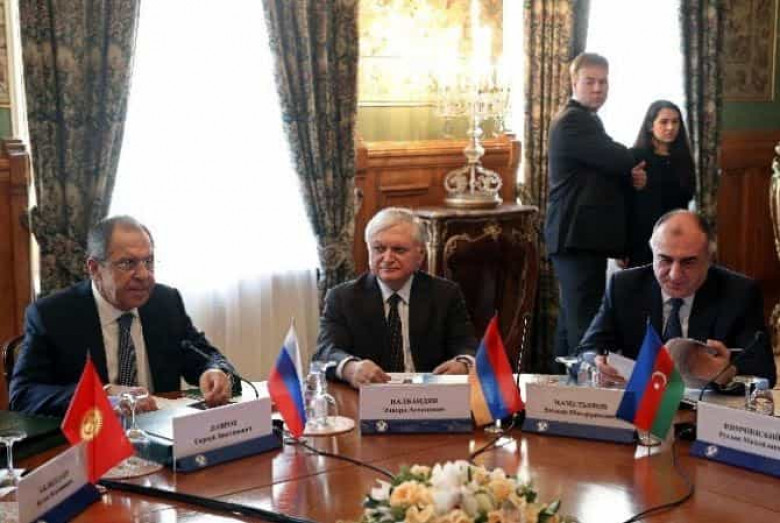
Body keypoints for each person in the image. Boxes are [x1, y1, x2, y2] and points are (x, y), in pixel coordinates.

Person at [10, 215, 237, 416]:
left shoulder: (165, 302)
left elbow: (205, 355)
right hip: (91, 438)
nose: (143, 275)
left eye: (148, 261)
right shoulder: (53, 315)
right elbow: (23, 394)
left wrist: (214, 371)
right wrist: (101, 395)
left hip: (160, 432)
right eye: (128, 263)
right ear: (94, 268)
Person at [581, 210, 776, 387]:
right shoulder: (624, 286)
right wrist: (595, 364)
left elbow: (764, 372)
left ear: (709, 259)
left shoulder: (739, 293)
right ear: (653, 255)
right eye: (665, 260)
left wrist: (728, 373)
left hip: (705, 408)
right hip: (640, 405)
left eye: (688, 262)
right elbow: (587, 350)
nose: (675, 275)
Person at [544, 52, 646, 358]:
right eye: (590, 81)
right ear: (574, 82)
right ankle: (581, 385)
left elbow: (606, 166)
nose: (598, 88)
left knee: (570, 324)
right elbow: (617, 157)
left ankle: (560, 384)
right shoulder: (573, 121)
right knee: (583, 324)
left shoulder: (587, 119)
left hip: (579, 237)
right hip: (575, 236)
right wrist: (632, 167)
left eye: (603, 82)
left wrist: (626, 172)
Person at [313, 207, 477, 387]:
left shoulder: (445, 294)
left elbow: (466, 344)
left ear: (420, 255)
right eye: (379, 249)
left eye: (398, 250)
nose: (387, 258)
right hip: (369, 394)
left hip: (429, 394)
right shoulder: (343, 298)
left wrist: (463, 363)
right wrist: (350, 368)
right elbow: (325, 351)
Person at [625, 100, 695, 267]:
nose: (670, 127)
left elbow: (686, 197)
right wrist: (622, 247)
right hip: (642, 238)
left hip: (675, 237)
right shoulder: (635, 156)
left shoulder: (683, 158)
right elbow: (624, 204)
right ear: (651, 125)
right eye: (664, 122)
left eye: (675, 122)